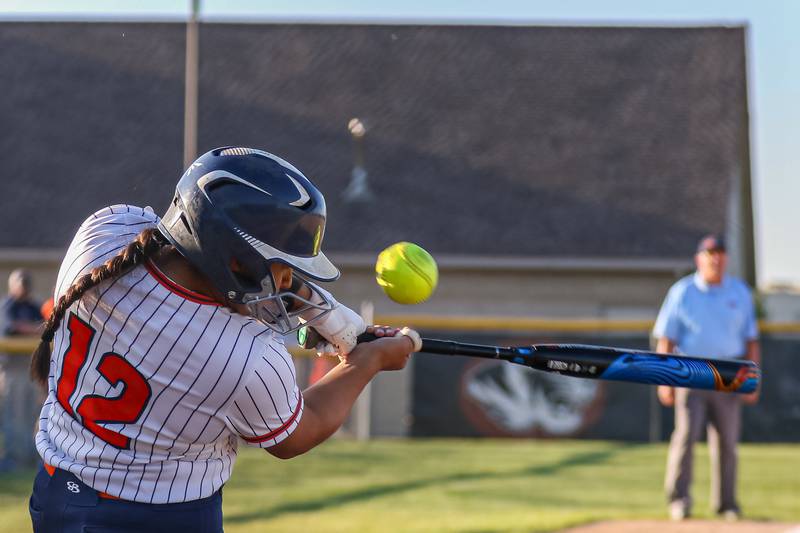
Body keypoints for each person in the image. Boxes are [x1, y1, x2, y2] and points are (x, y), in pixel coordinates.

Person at [28, 147, 419, 533]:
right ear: (235, 260)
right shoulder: (246, 354)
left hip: (55, 494)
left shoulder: (104, 234)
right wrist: (367, 362)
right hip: (157, 517)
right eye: (283, 268)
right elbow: (298, 432)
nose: (286, 282)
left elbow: (183, 252)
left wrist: (327, 315)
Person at [653, 234, 760, 522]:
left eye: (721, 253)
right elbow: (666, 339)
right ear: (699, 258)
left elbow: (752, 340)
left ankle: (727, 504)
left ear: (726, 259)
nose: (716, 257)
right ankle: (679, 500)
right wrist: (664, 379)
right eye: (710, 252)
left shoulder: (739, 292)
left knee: (727, 441)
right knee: (686, 436)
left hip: (729, 373)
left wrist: (753, 379)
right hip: (691, 372)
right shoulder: (683, 291)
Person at [1, 269, 43, 336]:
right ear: (12, 284)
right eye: (23, 283)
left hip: (31, 345)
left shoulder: (33, 306)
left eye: (27, 283)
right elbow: (10, 327)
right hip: (9, 345)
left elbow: (43, 325)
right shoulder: (7, 305)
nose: (25, 287)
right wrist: (34, 329)